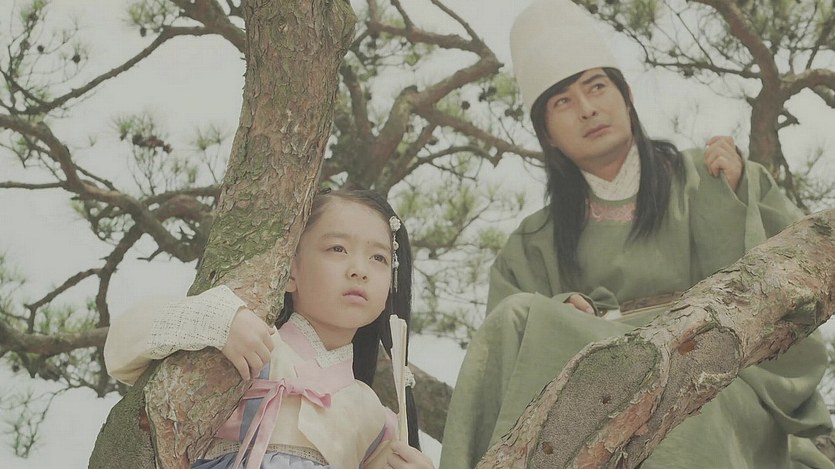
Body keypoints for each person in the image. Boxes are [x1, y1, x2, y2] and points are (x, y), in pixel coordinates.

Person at [439, 0, 834, 468]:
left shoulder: (710, 174)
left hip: (713, 385)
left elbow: (798, 282)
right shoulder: (531, 243)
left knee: (685, 404)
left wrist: (736, 196)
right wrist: (562, 312)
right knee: (520, 317)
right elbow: (502, 357)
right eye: (563, 102)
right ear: (547, 134)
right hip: (588, 410)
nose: (587, 109)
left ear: (626, 96)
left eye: (596, 87)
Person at [105, 189, 435, 469]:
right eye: (337, 248)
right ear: (289, 272)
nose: (359, 270)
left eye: (378, 258)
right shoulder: (253, 342)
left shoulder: (374, 418)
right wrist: (219, 320)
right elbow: (121, 345)